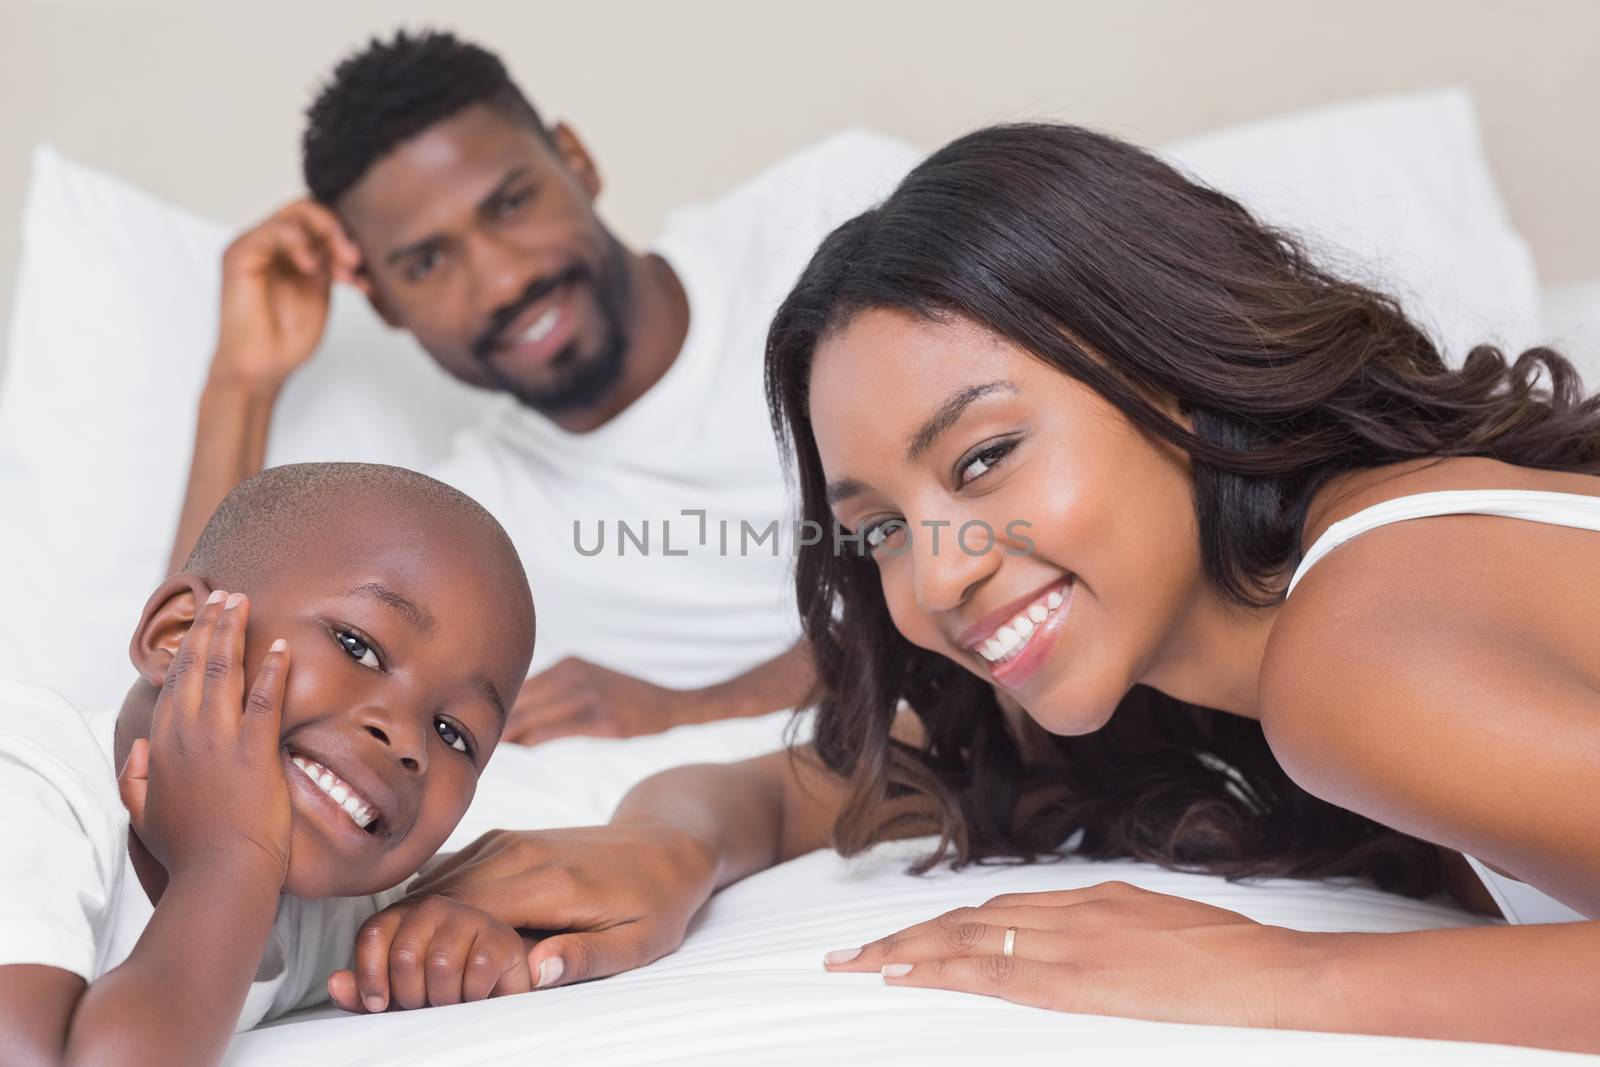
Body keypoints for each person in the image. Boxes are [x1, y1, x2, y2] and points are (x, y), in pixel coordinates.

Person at [399, 124, 1600, 1053]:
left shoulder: (1350, 657)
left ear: (1169, 366)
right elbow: (784, 789)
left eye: (984, 458)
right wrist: (661, 844)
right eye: (874, 530)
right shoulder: (1213, 656)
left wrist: (1278, 975)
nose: (940, 573)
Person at [168, 30, 919, 744]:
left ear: (577, 161)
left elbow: (1016, 512)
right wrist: (240, 384)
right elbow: (189, 699)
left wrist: (697, 707)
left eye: (511, 203)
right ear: (385, 304)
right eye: (427, 263)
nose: (501, 279)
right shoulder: (472, 529)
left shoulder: (837, 211)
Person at [0, 463, 540, 1066]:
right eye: (357, 646)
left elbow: (540, 891)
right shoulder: (28, 785)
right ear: (178, 634)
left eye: (454, 733)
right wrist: (228, 858)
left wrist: (459, 943)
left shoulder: (318, 907)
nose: (407, 740)